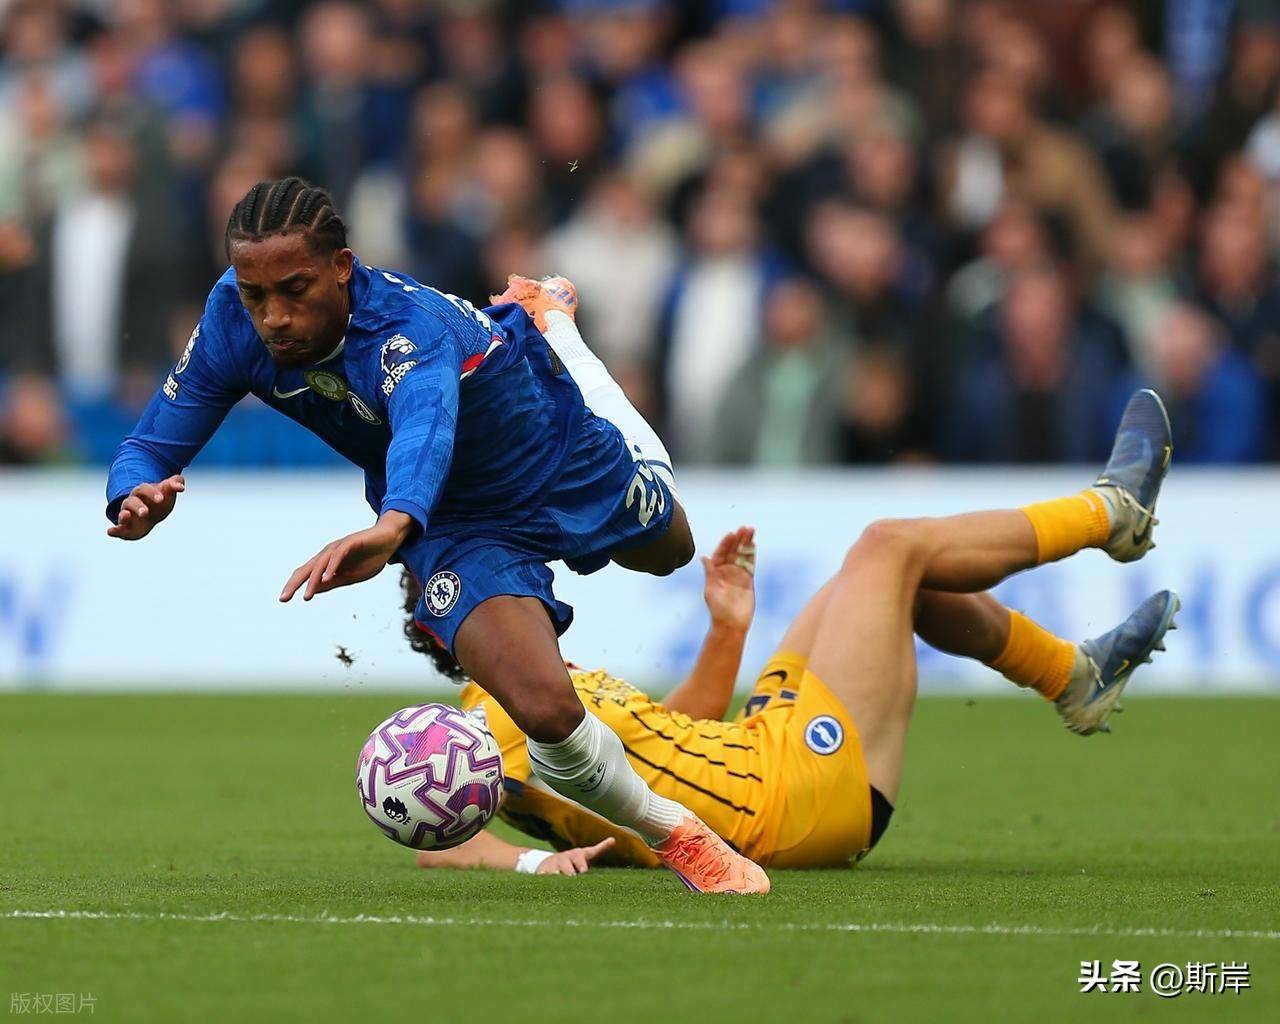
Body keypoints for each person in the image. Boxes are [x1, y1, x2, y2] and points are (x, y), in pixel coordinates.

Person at [103, 177, 767, 894]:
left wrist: (391, 525)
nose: (274, 317)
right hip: (452, 522)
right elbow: (150, 445)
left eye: (294, 289)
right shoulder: (233, 319)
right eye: (255, 295)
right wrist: (129, 497)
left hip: (555, 453)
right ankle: (681, 838)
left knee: (669, 550)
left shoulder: (405, 328)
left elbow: (427, 429)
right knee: (543, 709)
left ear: (342, 267)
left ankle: (555, 330)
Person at [409, 391, 1179, 875]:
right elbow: (436, 834)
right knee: (887, 547)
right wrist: (534, 866)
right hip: (790, 802)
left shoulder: (532, 695)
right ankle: (1109, 513)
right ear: (455, 629)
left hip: (760, 753)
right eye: (494, 578)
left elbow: (680, 731)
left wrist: (727, 629)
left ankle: (1073, 678)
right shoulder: (492, 722)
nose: (522, 575)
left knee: (865, 584)